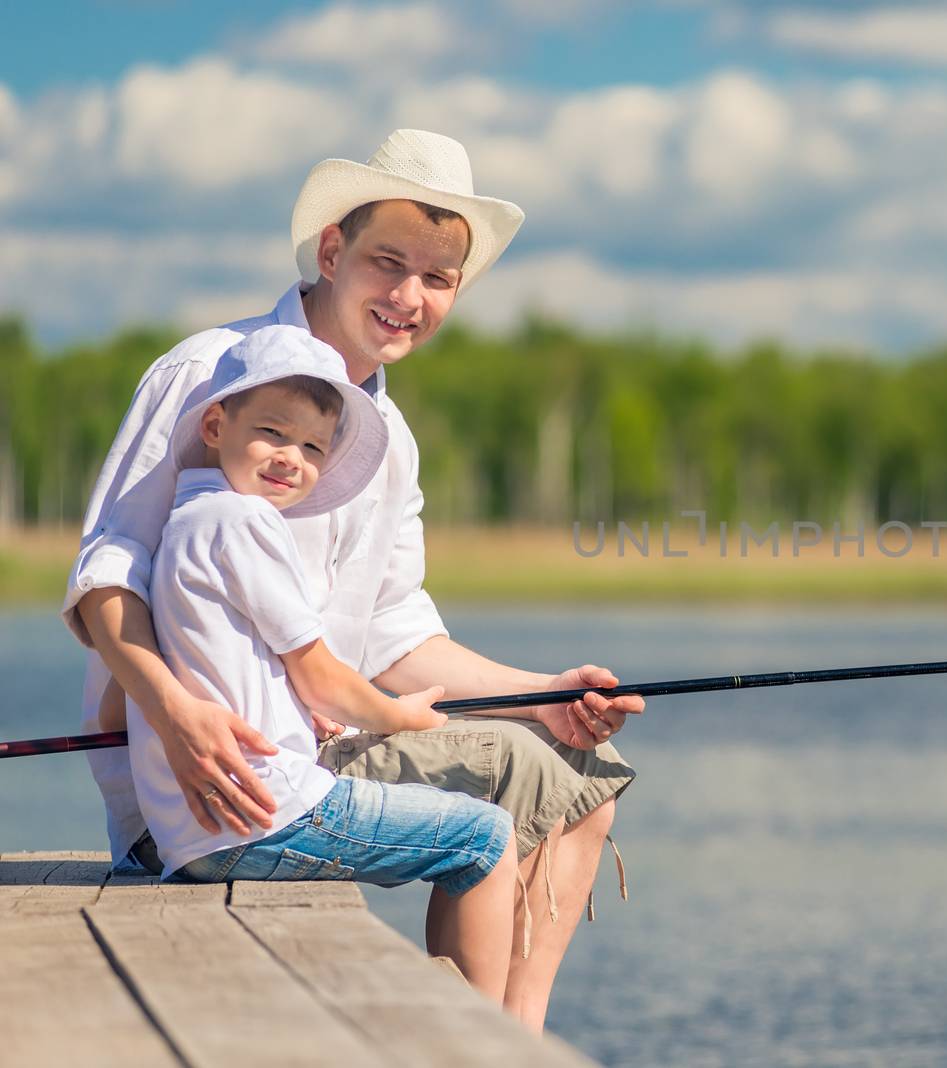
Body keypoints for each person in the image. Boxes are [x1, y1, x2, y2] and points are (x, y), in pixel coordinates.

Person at [62, 129, 641, 1033]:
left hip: (313, 752)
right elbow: (105, 578)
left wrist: (545, 695)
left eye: (438, 278)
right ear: (332, 250)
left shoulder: (389, 442)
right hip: (200, 789)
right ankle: (487, 1044)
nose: (409, 298)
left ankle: (517, 1037)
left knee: (579, 760)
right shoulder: (206, 374)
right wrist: (174, 714)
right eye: (387, 262)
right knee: (524, 791)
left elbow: (397, 636)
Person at [118, 324, 520, 1003]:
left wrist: (304, 718)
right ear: (216, 423)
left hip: (190, 833)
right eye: (273, 432)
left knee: (464, 834)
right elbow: (319, 671)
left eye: (311, 447)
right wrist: (402, 716)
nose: (290, 458)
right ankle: (489, 1039)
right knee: (485, 836)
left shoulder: (186, 521)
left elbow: (248, 670)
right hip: (270, 816)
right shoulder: (244, 522)